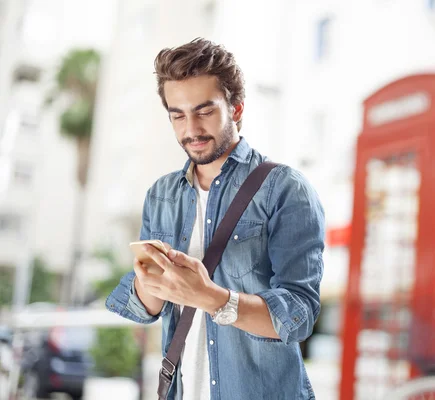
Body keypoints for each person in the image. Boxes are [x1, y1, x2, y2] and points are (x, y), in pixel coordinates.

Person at [106, 38, 325, 400]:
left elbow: (298, 314)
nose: (190, 128)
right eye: (177, 115)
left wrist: (212, 298)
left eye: (204, 111)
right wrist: (151, 279)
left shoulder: (285, 189)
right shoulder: (161, 195)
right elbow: (145, 309)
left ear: (236, 109)